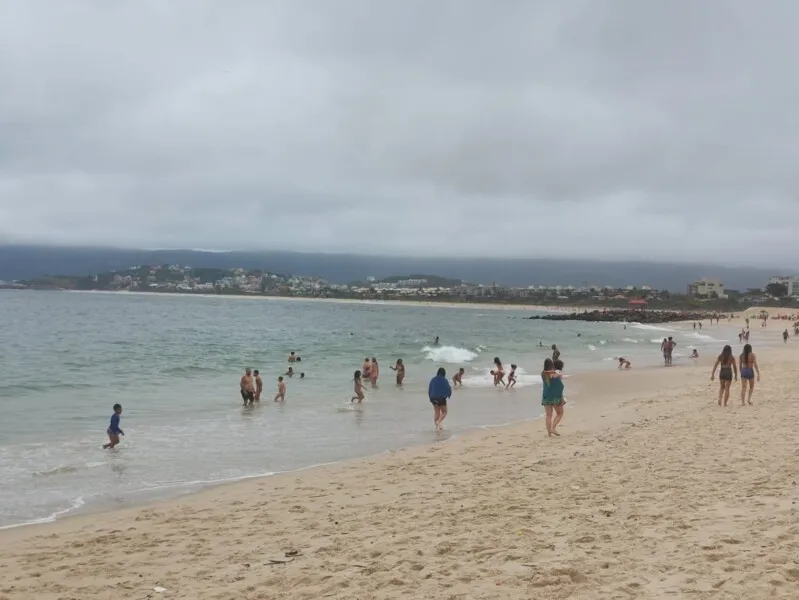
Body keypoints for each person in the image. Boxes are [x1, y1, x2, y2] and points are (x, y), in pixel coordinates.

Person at [541, 358, 564, 437]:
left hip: (546, 396)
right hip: (555, 397)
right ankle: (553, 428)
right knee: (560, 413)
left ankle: (549, 433)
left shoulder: (543, 374)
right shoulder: (555, 374)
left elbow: (549, 375)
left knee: (548, 415)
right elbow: (556, 379)